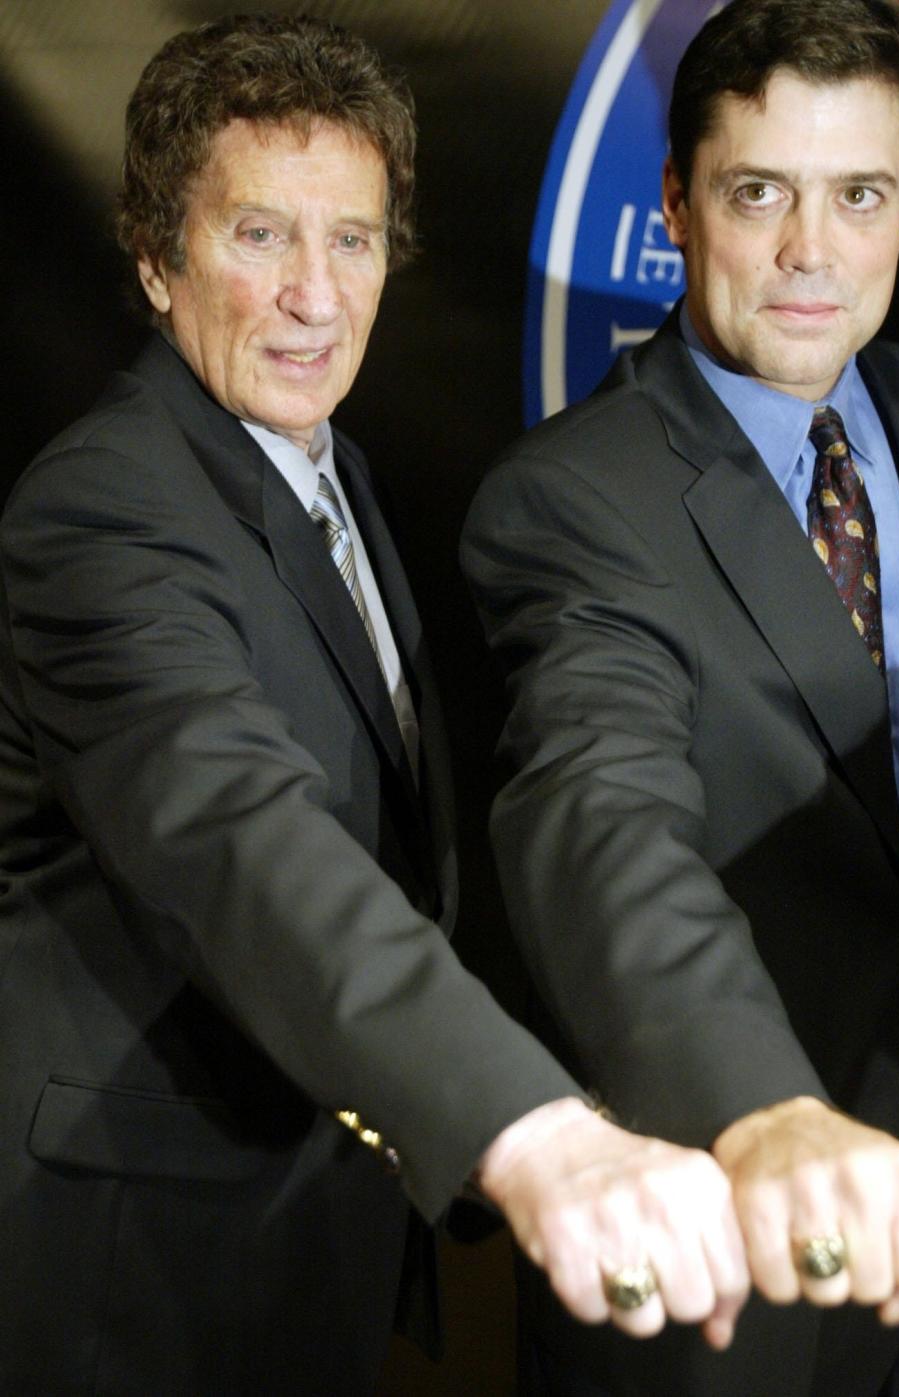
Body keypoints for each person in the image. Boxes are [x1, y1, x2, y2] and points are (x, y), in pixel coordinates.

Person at [0, 14, 752, 1394]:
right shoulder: (103, 510)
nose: (316, 295)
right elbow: (244, 836)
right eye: (259, 236)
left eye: (351, 240)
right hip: (129, 1271)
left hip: (299, 1236)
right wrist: (531, 1129)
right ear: (159, 259)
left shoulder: (321, 463)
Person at [462, 0, 899, 1392]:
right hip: (732, 1271)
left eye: (859, 194)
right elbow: (601, 817)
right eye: (760, 194)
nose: (813, 251)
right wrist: (763, 1107)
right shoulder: (569, 499)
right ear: (678, 203)